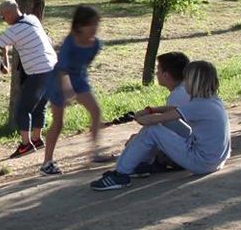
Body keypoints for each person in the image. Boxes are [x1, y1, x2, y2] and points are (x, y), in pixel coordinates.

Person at [89, 60, 230, 190]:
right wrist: (151, 110)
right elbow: (175, 111)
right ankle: (142, 165)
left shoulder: (199, 105)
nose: (184, 83)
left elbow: (155, 120)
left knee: (152, 131)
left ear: (194, 82)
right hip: (214, 160)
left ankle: (120, 174)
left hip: (202, 163)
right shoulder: (211, 100)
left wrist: (140, 117)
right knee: (167, 122)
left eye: (186, 79)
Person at [0, 0, 56, 157]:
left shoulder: (15, 30)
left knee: (22, 109)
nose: (3, 20)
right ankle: (36, 139)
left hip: (39, 71)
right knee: (40, 105)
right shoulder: (33, 19)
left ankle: (26, 144)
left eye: (3, 16)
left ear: (9, 13)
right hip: (53, 68)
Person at [39, 5, 105, 175]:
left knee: (96, 111)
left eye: (96, 24)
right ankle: (47, 163)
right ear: (79, 25)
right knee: (58, 123)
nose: (94, 28)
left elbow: (85, 64)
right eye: (90, 24)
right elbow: (62, 69)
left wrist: (78, 86)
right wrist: (68, 91)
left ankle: (93, 153)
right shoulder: (70, 42)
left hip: (79, 80)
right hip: (58, 81)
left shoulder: (96, 44)